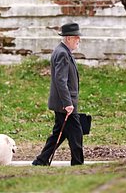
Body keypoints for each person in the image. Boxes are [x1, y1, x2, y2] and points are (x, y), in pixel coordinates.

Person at [32, 22, 84, 166]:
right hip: (64, 104)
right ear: (68, 38)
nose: (78, 40)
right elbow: (60, 81)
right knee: (76, 133)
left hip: (63, 102)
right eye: (76, 38)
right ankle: (77, 163)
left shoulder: (62, 51)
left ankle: (41, 160)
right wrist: (68, 103)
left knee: (58, 134)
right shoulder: (62, 53)